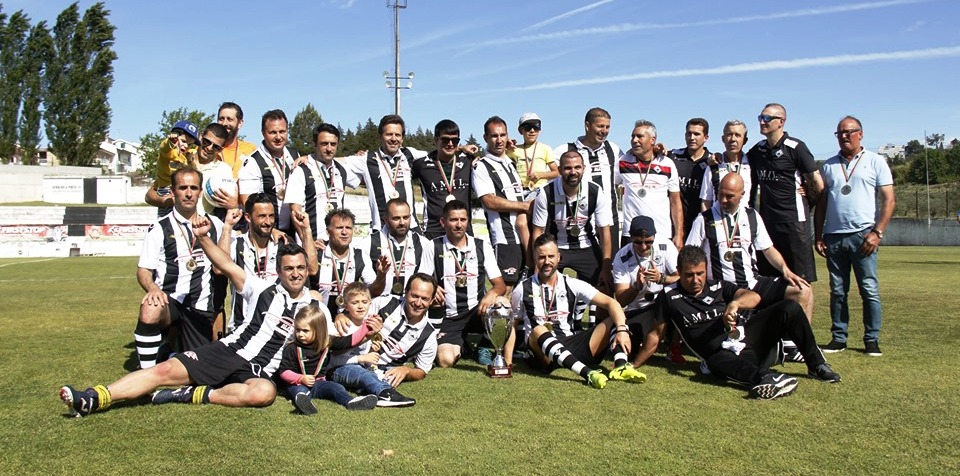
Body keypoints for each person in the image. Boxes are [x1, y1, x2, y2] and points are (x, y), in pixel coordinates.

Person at [59, 217, 328, 417]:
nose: (295, 273)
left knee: (264, 393)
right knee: (163, 370)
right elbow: (225, 264)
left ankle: (194, 394)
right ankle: (93, 397)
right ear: (279, 271)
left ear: (307, 270)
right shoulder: (261, 288)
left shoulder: (315, 307)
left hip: (259, 371)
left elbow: (330, 340)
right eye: (289, 268)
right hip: (227, 352)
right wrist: (203, 238)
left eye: (301, 268)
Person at [658, 245, 841, 400]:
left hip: (747, 341)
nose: (696, 280)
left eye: (700, 273)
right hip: (719, 355)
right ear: (679, 271)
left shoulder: (719, 286)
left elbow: (754, 297)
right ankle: (768, 379)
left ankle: (816, 365)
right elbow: (654, 333)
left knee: (789, 307)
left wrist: (735, 304)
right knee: (715, 361)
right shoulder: (670, 296)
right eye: (690, 275)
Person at [687, 172, 813, 361]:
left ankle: (792, 345)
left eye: (729, 196)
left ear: (742, 195)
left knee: (802, 290)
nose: (723, 199)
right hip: (722, 289)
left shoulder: (752, 216)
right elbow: (690, 254)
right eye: (720, 193)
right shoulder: (703, 219)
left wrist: (785, 270)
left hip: (752, 282)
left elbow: (768, 249)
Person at [507, 234, 646, 389]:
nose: (547, 262)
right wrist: (507, 361)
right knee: (539, 330)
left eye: (551, 256)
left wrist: (622, 330)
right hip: (541, 354)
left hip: (570, 346)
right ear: (534, 258)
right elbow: (512, 325)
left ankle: (621, 366)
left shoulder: (572, 284)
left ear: (559, 257)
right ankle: (588, 374)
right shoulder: (522, 288)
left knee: (615, 316)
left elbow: (611, 303)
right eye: (541, 257)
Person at [815, 116, 895, 357]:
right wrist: (818, 235)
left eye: (849, 132)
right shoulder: (828, 166)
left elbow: (889, 199)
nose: (845, 136)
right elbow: (821, 203)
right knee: (837, 290)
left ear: (861, 133)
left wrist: (877, 232)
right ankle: (838, 337)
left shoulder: (875, 161)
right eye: (840, 133)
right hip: (834, 236)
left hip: (863, 235)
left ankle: (872, 339)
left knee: (868, 288)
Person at [133, 166, 226, 370]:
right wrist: (153, 289)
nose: (189, 193)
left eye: (193, 187)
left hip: (201, 309)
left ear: (201, 192)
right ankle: (145, 374)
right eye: (183, 187)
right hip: (170, 303)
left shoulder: (216, 224)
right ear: (173, 191)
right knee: (150, 307)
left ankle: (168, 352)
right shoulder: (159, 228)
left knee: (198, 370)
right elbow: (143, 270)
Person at [219, 194, 318, 333]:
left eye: (271, 216)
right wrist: (227, 227)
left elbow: (312, 269)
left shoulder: (283, 243)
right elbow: (218, 269)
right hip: (242, 326)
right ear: (248, 217)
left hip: (276, 327)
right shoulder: (236, 244)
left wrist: (306, 230)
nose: (268, 221)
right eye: (262, 216)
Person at [747, 103, 822, 285]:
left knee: (801, 282)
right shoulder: (758, 150)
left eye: (767, 118)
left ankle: (802, 314)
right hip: (767, 224)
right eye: (760, 118)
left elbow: (818, 184)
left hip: (794, 223)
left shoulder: (796, 147)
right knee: (769, 280)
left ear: (781, 122)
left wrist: (808, 199)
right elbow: (735, 159)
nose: (762, 122)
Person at [429, 200, 506, 367]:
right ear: (443, 222)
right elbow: (420, 281)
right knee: (445, 360)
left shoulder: (481, 246)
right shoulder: (433, 246)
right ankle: (464, 347)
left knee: (503, 303)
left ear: (468, 221)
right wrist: (432, 288)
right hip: (450, 316)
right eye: (453, 220)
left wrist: (491, 294)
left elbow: (500, 285)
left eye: (463, 220)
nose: (458, 225)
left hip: (477, 311)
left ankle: (484, 345)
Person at [531, 150, 614, 290]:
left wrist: (606, 268)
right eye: (568, 168)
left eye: (577, 167)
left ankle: (591, 311)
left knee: (605, 287)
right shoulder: (545, 193)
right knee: (543, 288)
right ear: (559, 170)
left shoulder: (595, 191)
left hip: (586, 245)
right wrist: (536, 264)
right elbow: (538, 231)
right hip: (556, 247)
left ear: (584, 169)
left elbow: (605, 231)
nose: (573, 172)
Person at [276, 304, 379, 414]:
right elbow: (284, 372)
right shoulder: (291, 348)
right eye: (297, 330)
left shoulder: (327, 342)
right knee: (300, 391)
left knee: (336, 387)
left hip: (319, 383)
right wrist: (301, 379)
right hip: (297, 383)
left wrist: (366, 325)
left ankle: (351, 401)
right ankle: (305, 403)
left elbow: (350, 341)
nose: (300, 334)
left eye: (305, 331)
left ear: (319, 330)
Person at [327, 282, 417, 407]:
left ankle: (370, 390)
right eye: (354, 303)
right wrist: (362, 358)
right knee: (361, 374)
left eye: (364, 302)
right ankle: (385, 394)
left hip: (359, 368)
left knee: (376, 374)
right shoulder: (342, 326)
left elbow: (364, 354)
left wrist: (371, 351)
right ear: (346, 306)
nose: (360, 306)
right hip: (336, 370)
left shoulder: (368, 323)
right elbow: (333, 359)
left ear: (370, 303)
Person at [612, 216, 679, 368]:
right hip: (639, 308)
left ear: (654, 237)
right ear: (630, 239)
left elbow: (683, 278)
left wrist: (662, 278)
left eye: (648, 242)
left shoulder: (665, 245)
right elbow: (620, 299)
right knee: (631, 346)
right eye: (638, 242)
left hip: (665, 302)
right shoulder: (622, 257)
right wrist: (636, 286)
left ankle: (675, 346)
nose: (643, 247)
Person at [473, 116, 529, 288]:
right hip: (506, 239)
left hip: (524, 236)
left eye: (502, 135)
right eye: (494, 136)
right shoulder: (482, 165)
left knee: (526, 290)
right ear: (485, 138)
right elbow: (489, 200)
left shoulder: (510, 163)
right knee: (506, 291)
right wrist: (525, 206)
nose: (499, 140)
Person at [345, 114, 427, 231]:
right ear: (380, 137)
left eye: (397, 135)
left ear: (402, 138)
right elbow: (336, 161)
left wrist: (459, 149)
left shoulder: (409, 154)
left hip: (411, 229)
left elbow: (438, 154)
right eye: (389, 134)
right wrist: (310, 158)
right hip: (381, 230)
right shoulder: (367, 159)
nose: (393, 139)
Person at [285, 123, 359, 244]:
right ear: (315, 144)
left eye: (333, 144)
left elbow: (368, 176)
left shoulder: (342, 170)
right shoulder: (300, 170)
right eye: (324, 144)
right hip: (312, 243)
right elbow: (295, 211)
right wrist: (308, 242)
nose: (329, 149)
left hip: (336, 245)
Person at [556, 107, 624, 240]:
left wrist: (656, 151)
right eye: (600, 126)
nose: (604, 131)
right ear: (587, 126)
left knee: (610, 260)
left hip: (610, 222)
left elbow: (633, 163)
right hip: (580, 222)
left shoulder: (613, 150)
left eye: (607, 127)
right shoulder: (565, 150)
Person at [616, 120, 683, 250]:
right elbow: (610, 188)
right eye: (632, 136)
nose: (634, 140)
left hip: (661, 233)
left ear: (652, 140)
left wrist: (679, 234)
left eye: (640, 136)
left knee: (662, 271)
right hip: (631, 233)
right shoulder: (623, 162)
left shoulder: (667, 164)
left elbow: (675, 202)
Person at [410, 119, 477, 239]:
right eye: (445, 140)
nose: (450, 144)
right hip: (433, 230)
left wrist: (508, 150)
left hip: (463, 229)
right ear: (436, 140)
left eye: (455, 140)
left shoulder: (468, 161)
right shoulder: (422, 164)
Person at [237, 109, 300, 231]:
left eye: (282, 131)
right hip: (268, 232)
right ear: (263, 133)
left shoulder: (295, 155)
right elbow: (249, 204)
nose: (278, 137)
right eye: (272, 132)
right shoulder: (252, 162)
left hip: (294, 231)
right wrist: (271, 231)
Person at [316, 209, 386, 317]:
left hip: (346, 319)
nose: (344, 232)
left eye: (348, 228)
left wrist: (381, 276)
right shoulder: (317, 254)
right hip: (318, 319)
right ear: (328, 231)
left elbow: (373, 292)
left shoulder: (361, 256)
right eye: (339, 228)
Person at [367, 198, 434, 298]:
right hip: (378, 307)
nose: (402, 222)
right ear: (386, 220)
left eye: (406, 217)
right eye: (396, 218)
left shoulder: (424, 244)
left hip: (413, 306)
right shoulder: (367, 244)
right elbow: (365, 291)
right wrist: (380, 276)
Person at [145, 120, 200, 217]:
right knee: (166, 222)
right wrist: (170, 141)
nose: (186, 146)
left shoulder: (187, 156)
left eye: (190, 144)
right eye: (183, 141)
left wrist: (191, 158)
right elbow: (164, 148)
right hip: (166, 190)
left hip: (182, 190)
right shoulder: (169, 153)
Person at [668, 118, 712, 238]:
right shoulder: (673, 156)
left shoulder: (712, 162)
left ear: (706, 137)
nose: (692, 137)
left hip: (699, 227)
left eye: (697, 134)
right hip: (674, 226)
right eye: (689, 133)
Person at [700, 119, 753, 210]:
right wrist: (707, 222)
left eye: (737, 135)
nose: (733, 139)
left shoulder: (753, 164)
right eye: (729, 135)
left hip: (745, 222)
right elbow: (706, 201)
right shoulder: (714, 164)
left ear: (745, 140)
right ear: (723, 139)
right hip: (719, 221)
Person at [507, 112, 558, 197]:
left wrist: (541, 175)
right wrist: (506, 143)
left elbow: (557, 173)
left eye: (536, 127)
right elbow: (496, 155)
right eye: (527, 127)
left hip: (540, 190)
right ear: (520, 130)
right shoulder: (514, 149)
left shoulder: (545, 148)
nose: (532, 130)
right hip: (519, 191)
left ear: (540, 130)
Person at [216, 101, 258, 178]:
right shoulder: (207, 149)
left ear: (240, 123)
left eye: (230, 119)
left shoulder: (251, 150)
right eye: (221, 119)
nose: (225, 123)